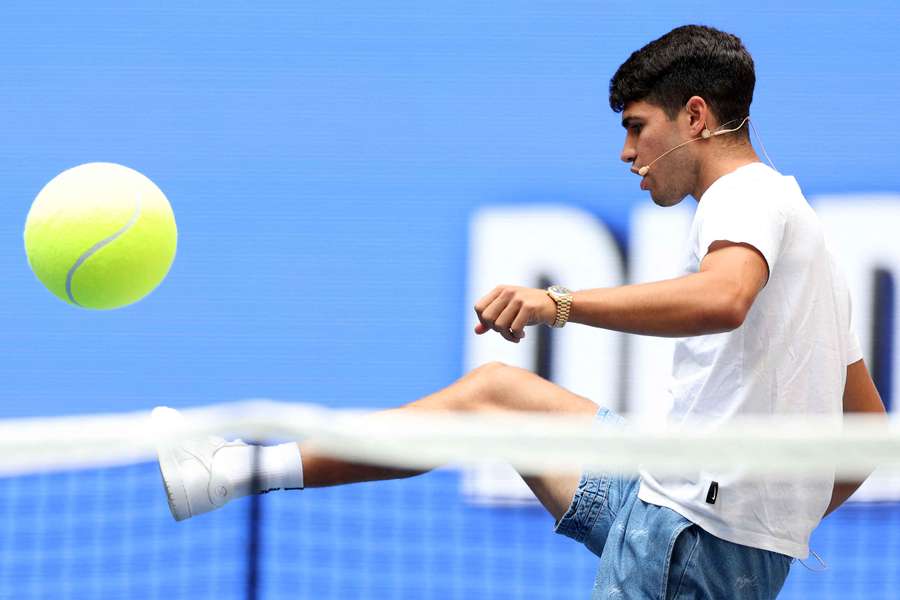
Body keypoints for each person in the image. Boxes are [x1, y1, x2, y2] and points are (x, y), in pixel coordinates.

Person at [154, 24, 886, 599]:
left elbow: (722, 299)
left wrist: (557, 303)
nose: (627, 151)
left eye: (637, 127)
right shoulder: (805, 232)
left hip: (687, 538)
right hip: (677, 504)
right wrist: (774, 526)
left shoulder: (743, 196)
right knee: (494, 396)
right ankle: (228, 473)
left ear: (695, 116)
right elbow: (866, 431)